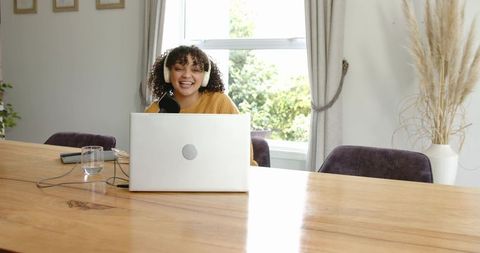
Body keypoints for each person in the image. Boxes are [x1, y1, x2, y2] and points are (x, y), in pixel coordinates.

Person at [146, 45, 258, 166]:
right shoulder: (156, 110)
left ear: (205, 76)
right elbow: (146, 155)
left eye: (195, 70)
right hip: (169, 176)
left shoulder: (220, 102)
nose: (187, 75)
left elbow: (243, 150)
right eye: (179, 69)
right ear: (167, 73)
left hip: (220, 175)